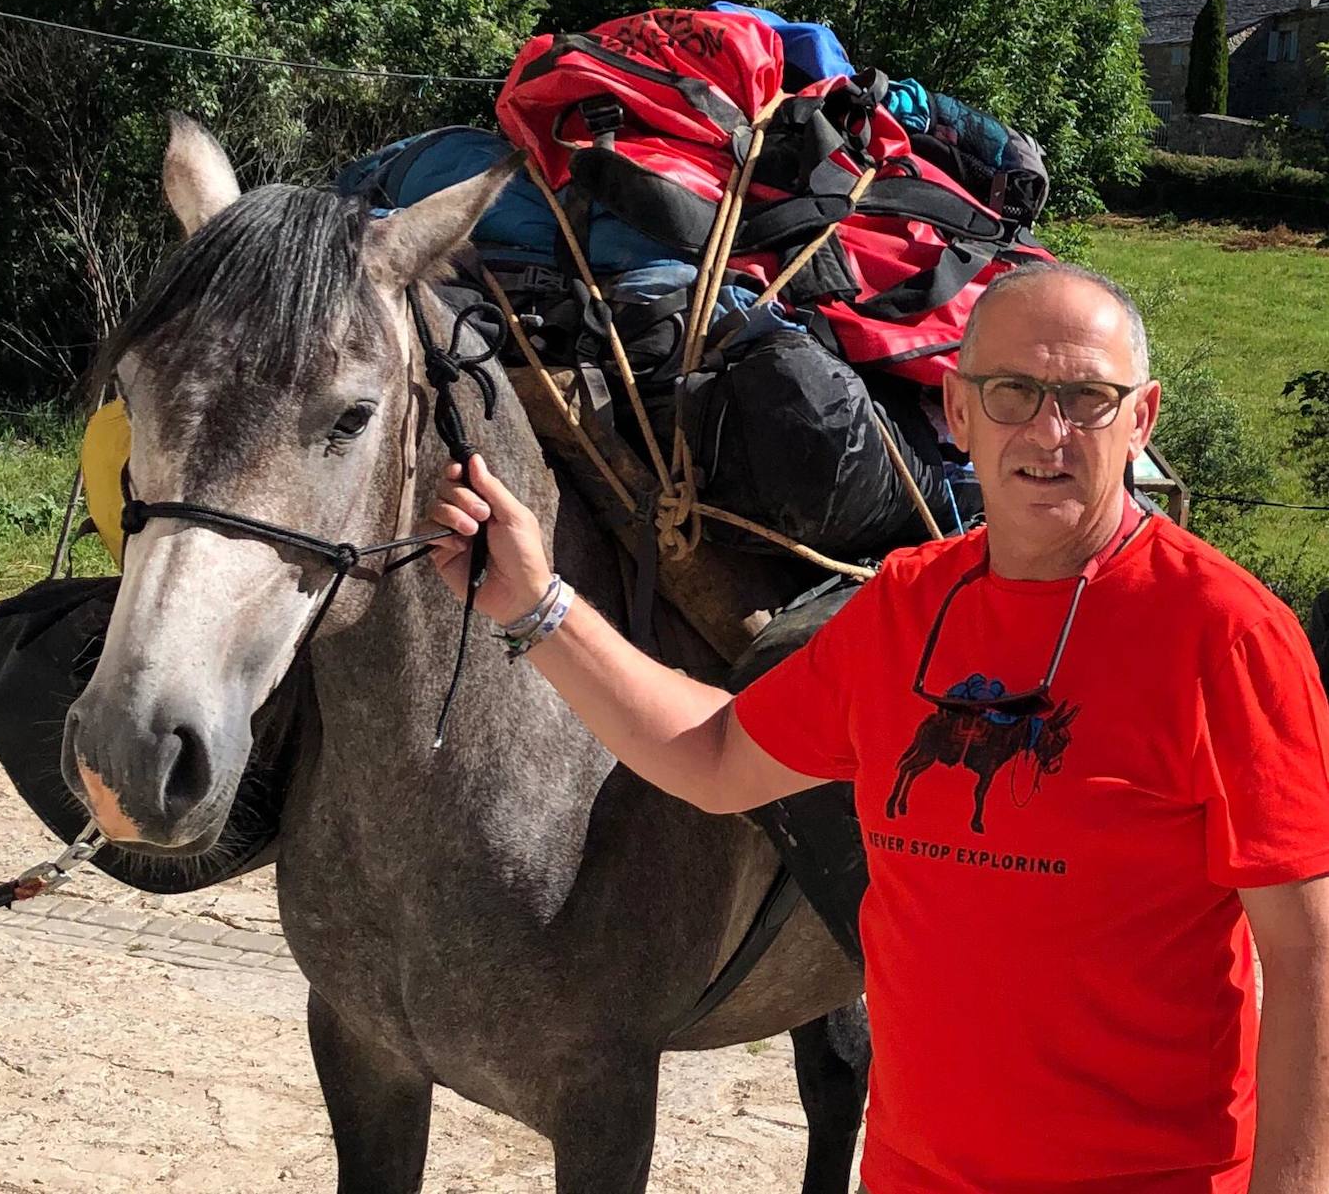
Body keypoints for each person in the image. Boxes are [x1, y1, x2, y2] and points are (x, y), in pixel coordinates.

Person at [427, 262, 1329, 1194]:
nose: (1047, 431)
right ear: (959, 410)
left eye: (1087, 399)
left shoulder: (1225, 636)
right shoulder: (909, 605)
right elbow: (717, 755)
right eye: (1013, 392)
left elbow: (1308, 955)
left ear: (1141, 417)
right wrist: (535, 603)